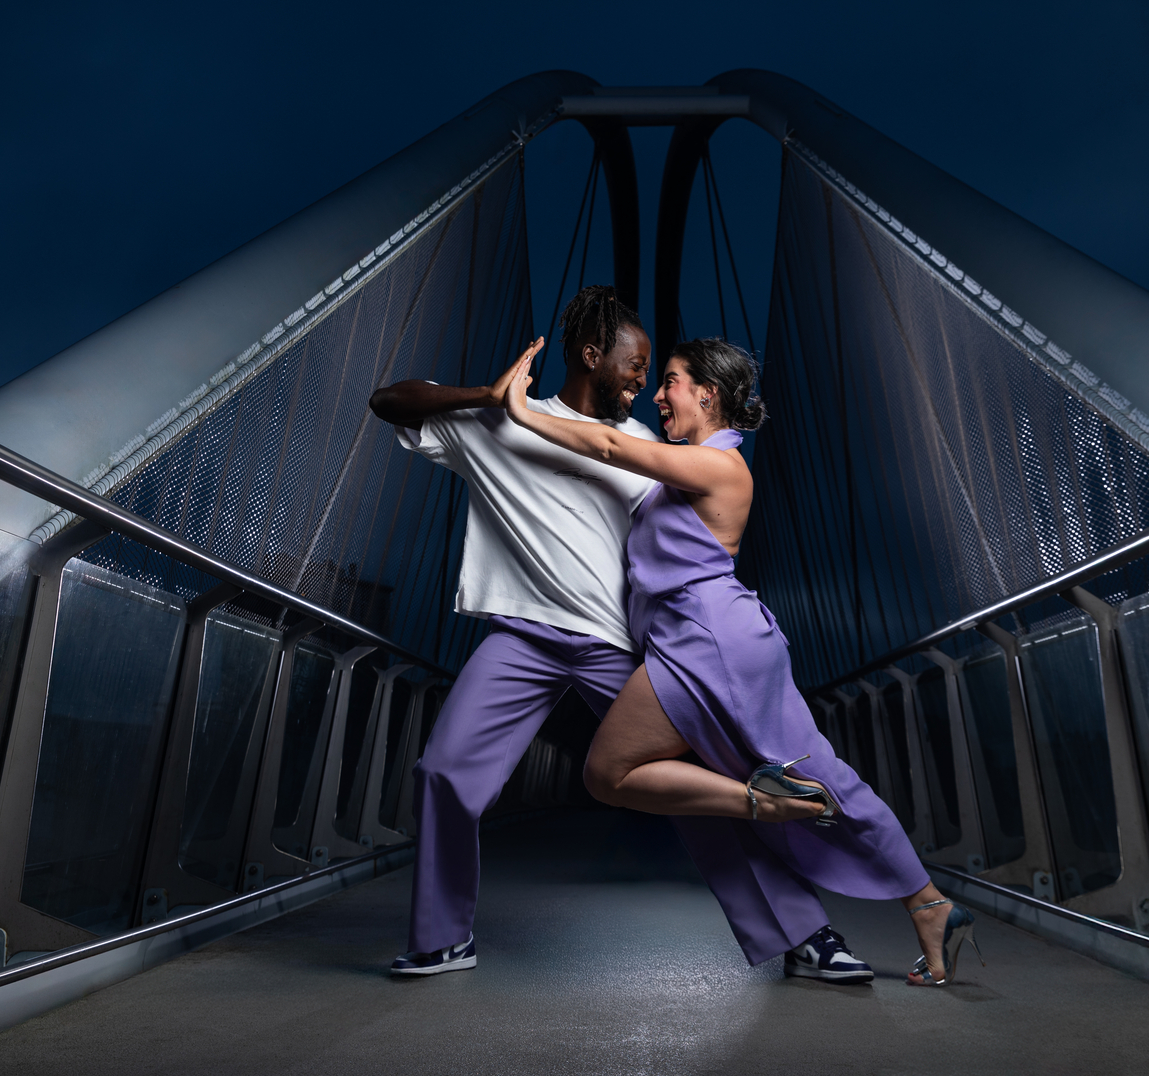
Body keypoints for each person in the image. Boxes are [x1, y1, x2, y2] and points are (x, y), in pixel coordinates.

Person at [370, 286, 872, 981]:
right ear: (590, 355)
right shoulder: (497, 425)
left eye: (651, 373)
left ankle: (805, 936)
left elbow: (691, 546)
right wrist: (485, 396)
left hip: (620, 649)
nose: (643, 383)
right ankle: (442, 936)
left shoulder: (641, 444)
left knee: (693, 793)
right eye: (635, 367)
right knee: (444, 774)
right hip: (521, 639)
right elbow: (389, 400)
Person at [501, 334, 983, 987]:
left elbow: (614, 446)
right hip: (704, 640)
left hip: (710, 641)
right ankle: (926, 904)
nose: (661, 395)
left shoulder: (722, 465)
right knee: (819, 779)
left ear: (709, 392)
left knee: (620, 772)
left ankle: (788, 819)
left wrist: (524, 411)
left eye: (670, 381)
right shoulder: (688, 470)